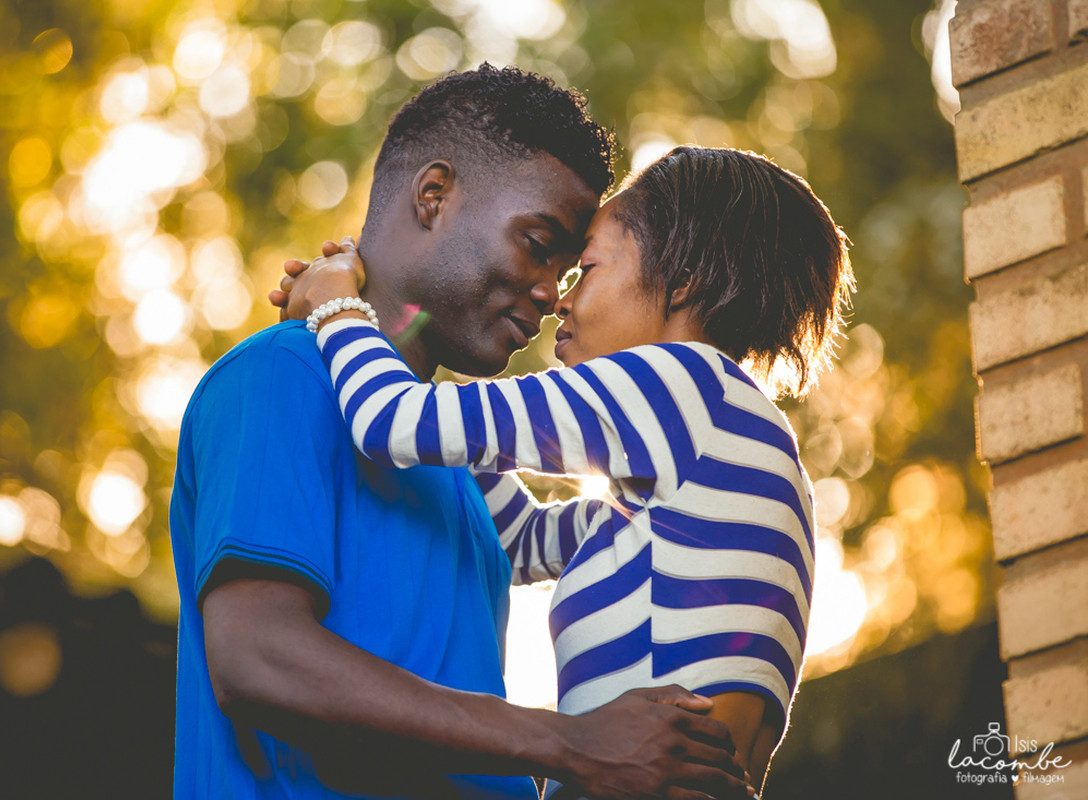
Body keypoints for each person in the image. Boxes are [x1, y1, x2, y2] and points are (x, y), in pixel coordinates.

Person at [171, 65, 754, 800]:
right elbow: (258, 658)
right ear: (434, 196)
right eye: (537, 243)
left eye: (571, 267)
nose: (551, 293)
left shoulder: (460, 475)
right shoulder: (283, 376)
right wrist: (567, 742)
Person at [274, 145, 854, 794]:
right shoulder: (705, 478)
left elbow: (391, 421)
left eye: (586, 269)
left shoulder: (684, 385)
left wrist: (337, 304)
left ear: (683, 278)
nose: (558, 302)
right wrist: (400, 326)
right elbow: (516, 539)